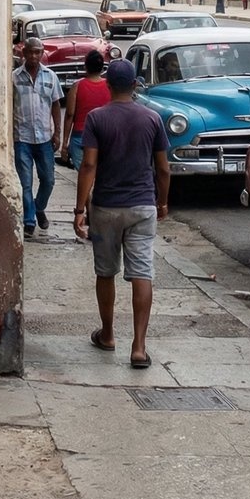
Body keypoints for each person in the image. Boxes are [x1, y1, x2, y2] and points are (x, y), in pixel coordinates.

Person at [74, 59, 171, 369]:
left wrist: (79, 209)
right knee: (142, 273)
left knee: (106, 272)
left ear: (108, 85)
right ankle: (139, 347)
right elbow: (163, 168)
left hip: (105, 207)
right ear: (134, 85)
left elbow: (89, 165)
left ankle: (108, 334)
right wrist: (162, 202)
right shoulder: (152, 118)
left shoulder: (96, 118)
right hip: (142, 206)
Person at [12, 36, 63, 238]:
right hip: (22, 138)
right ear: (24, 53)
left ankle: (38, 207)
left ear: (42, 53)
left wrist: (57, 133)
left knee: (48, 180)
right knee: (25, 183)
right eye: (30, 52)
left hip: (44, 139)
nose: (34, 56)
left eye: (38, 52)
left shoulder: (51, 77)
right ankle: (29, 220)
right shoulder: (14, 77)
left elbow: (56, 105)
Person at [60, 49, 111, 170]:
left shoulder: (77, 86)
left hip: (80, 137)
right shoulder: (109, 86)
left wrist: (65, 143)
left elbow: (70, 114)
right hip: (104, 136)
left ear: (85, 66)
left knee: (84, 173)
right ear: (102, 68)